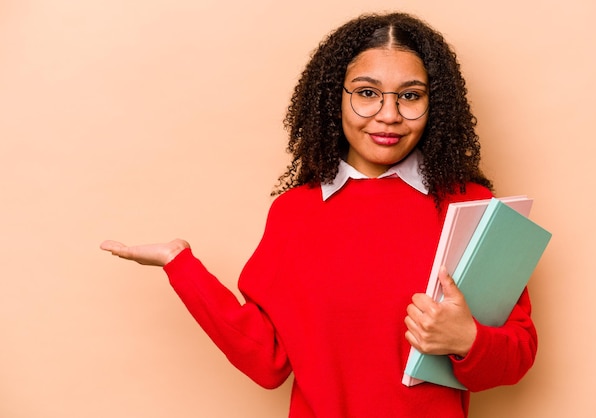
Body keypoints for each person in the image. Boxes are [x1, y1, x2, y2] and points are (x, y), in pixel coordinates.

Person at [100, 12, 537, 418]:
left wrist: (468, 341)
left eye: (410, 96)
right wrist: (181, 266)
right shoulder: (294, 213)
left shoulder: (472, 206)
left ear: (434, 104)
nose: (389, 115)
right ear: (335, 99)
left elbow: (517, 353)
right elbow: (268, 361)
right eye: (367, 93)